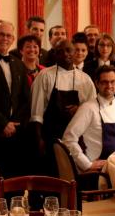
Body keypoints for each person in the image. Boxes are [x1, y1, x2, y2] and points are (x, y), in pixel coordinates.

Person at [30, 40, 96, 176]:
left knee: (72, 179)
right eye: (60, 51)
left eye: (68, 50)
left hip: (76, 140)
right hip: (50, 137)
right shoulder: (45, 75)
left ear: (74, 52)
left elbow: (93, 112)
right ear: (55, 54)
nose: (65, 54)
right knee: (49, 178)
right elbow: (36, 112)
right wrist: (38, 139)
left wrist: (80, 109)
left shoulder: (85, 80)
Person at [63, 65, 115, 173]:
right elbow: (68, 138)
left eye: (112, 82)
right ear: (97, 83)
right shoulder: (88, 108)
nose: (109, 85)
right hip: (102, 171)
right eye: (104, 82)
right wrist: (86, 164)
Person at [0, 20, 31, 179]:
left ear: (13, 39)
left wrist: (15, 123)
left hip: (15, 134)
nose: (5, 38)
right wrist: (3, 123)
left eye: (9, 35)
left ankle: (15, 205)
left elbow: (25, 99)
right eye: (1, 34)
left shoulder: (18, 64)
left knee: (14, 180)